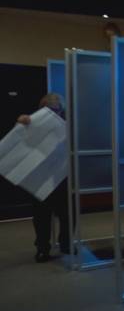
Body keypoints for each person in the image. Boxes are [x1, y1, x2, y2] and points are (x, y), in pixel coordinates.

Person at [17, 93, 72, 262]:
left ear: (61, 110)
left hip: (62, 176)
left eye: (56, 110)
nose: (53, 114)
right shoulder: (33, 121)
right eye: (49, 110)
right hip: (41, 177)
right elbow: (19, 137)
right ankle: (42, 249)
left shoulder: (67, 123)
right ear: (42, 109)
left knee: (68, 214)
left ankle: (66, 244)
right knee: (41, 215)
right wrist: (21, 122)